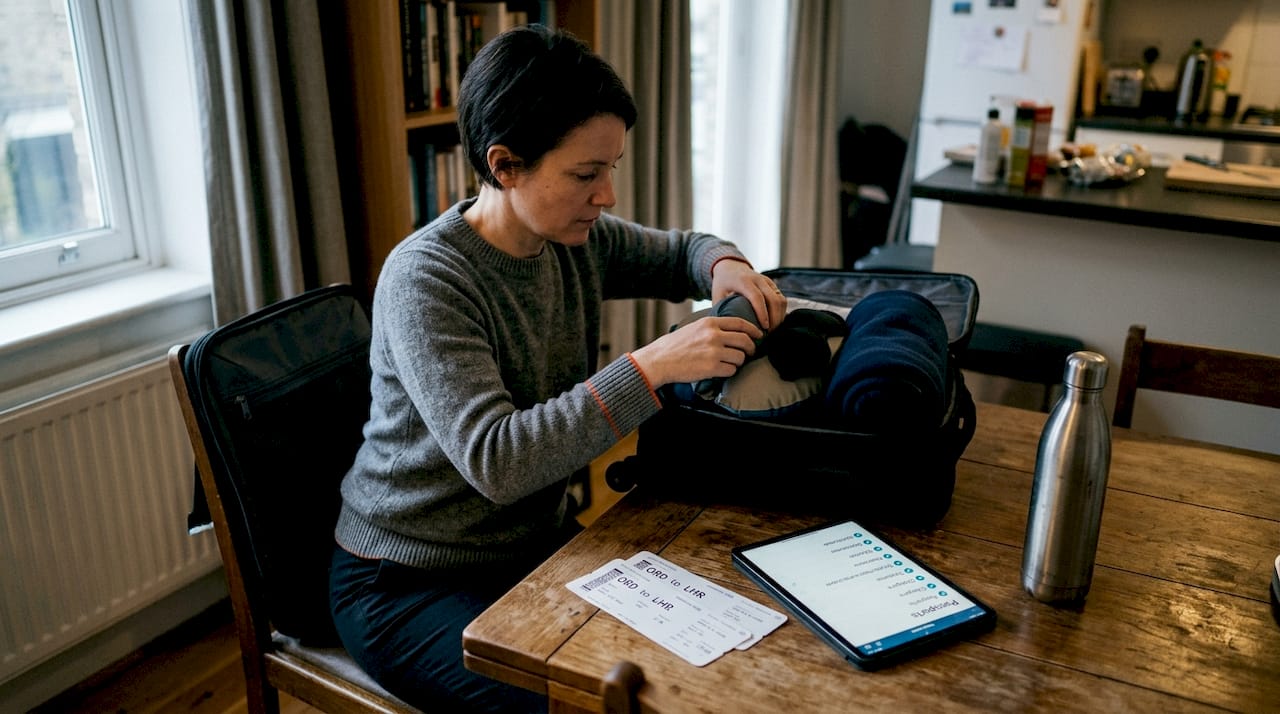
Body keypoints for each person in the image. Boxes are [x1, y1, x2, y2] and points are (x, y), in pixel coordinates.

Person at [329, 23, 788, 712]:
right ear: (505, 165)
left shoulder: (574, 239)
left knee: (688, 668)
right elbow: (499, 462)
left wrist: (725, 264)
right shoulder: (426, 278)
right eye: (585, 174)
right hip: (404, 580)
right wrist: (651, 367)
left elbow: (681, 252)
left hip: (529, 550)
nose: (607, 196)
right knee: (586, 703)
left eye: (612, 168)